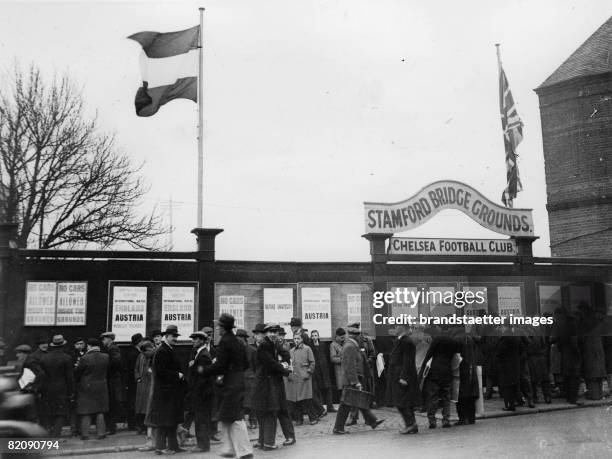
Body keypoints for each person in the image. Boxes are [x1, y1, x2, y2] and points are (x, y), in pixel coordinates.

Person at [201, 314, 253, 459]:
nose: (217, 329)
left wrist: (204, 370)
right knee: (227, 416)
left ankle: (244, 450)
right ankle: (230, 448)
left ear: (224, 327)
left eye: (219, 326)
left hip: (229, 383)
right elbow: (246, 363)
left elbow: (220, 365)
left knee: (234, 417)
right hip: (238, 381)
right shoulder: (238, 342)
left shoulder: (225, 342)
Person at [332, 323, 384, 434]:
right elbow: (349, 366)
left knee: (358, 401)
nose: (361, 337)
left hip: (352, 379)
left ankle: (372, 421)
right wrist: (355, 382)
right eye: (358, 335)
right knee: (345, 404)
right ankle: (338, 428)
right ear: (356, 336)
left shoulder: (351, 345)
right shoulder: (350, 346)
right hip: (351, 380)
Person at [148, 325, 187, 454]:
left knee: (172, 420)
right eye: (173, 336)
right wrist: (177, 375)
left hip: (171, 392)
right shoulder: (162, 351)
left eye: (176, 336)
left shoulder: (169, 349)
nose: (175, 339)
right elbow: (160, 372)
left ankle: (173, 446)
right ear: (166, 336)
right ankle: (160, 447)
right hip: (165, 392)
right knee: (164, 421)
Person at [252, 323, 291, 451]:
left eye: (275, 331)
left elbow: (284, 356)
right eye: (270, 332)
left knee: (267, 411)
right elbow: (271, 364)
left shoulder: (272, 344)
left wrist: (284, 366)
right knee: (270, 411)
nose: (273, 334)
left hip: (266, 383)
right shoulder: (265, 346)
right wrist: (284, 368)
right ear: (266, 333)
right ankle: (268, 443)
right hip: (266, 384)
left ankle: (264, 441)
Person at [419, 324, 460, 428]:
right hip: (447, 371)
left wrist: (423, 368)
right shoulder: (453, 341)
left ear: (440, 328)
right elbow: (456, 357)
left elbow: (429, 354)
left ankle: (432, 421)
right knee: (446, 397)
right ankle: (446, 420)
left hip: (435, 371)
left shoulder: (437, 339)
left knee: (433, 396)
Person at [386, 325, 420, 434]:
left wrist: (404, 377)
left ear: (402, 328)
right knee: (404, 402)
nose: (395, 328)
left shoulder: (406, 341)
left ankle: (410, 424)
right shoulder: (401, 340)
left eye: (397, 326)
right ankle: (411, 424)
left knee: (402, 402)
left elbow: (408, 361)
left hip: (402, 377)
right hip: (397, 375)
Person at [39, 334, 75, 437]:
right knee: (60, 413)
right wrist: (72, 392)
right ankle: (55, 436)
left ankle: (48, 433)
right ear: (63, 345)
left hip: (47, 389)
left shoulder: (44, 358)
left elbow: (41, 375)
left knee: (49, 412)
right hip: (62, 389)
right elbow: (69, 377)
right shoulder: (66, 358)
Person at [75, 338, 109, 440]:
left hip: (86, 386)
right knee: (100, 410)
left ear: (89, 346)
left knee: (86, 411)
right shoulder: (106, 357)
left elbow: (78, 374)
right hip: (101, 386)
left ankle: (85, 434)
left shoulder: (84, 358)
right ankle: (101, 433)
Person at [187, 330, 214, 453]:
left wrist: (196, 391)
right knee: (200, 419)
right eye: (193, 339)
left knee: (202, 420)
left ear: (202, 341)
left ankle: (203, 445)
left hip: (202, 394)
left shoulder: (203, 355)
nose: (193, 341)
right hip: (201, 393)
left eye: (196, 339)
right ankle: (202, 444)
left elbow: (204, 377)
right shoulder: (200, 353)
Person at [287, 333, 318, 425]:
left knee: (307, 400)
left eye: (298, 338)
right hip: (295, 379)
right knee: (296, 400)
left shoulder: (307, 349)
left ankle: (313, 418)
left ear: (302, 339)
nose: (296, 340)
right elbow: (290, 364)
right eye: (295, 338)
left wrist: (308, 373)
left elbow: (312, 362)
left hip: (305, 379)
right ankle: (299, 419)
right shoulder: (291, 351)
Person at [454, 327, 480, 425]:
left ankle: (462, 418)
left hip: (461, 369)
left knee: (461, 395)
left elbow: (456, 357)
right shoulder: (469, 338)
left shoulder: (456, 339)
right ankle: (471, 418)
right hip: (471, 368)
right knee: (471, 395)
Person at [100, 331, 125, 434]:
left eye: (104, 339)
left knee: (111, 403)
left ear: (109, 339)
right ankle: (111, 427)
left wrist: (107, 370)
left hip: (112, 380)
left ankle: (111, 428)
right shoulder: (111, 348)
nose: (103, 341)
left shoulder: (112, 348)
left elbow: (116, 362)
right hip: (113, 379)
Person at [495, 324, 522, 411]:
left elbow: (500, 351)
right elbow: (522, 348)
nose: (501, 328)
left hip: (505, 366)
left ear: (506, 327)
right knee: (514, 385)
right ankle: (515, 402)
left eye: (502, 326)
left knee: (507, 387)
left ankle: (510, 405)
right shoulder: (515, 336)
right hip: (515, 364)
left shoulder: (505, 338)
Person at [236, 328, 257, 430]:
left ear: (245, 339)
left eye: (240, 339)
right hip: (239, 380)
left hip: (250, 380)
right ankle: (241, 422)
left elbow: (256, 366)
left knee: (252, 402)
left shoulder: (252, 350)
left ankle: (253, 420)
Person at [311, 330, 335, 413]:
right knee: (318, 389)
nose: (314, 337)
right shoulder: (311, 346)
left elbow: (327, 357)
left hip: (324, 370)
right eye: (313, 336)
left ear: (318, 336)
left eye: (315, 335)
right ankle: (321, 409)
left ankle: (330, 407)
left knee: (328, 388)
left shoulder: (323, 345)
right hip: (316, 371)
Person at [134, 337, 155, 435]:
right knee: (140, 407)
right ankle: (141, 426)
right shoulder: (140, 356)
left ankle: (148, 428)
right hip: (141, 384)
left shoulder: (153, 356)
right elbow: (136, 368)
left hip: (150, 383)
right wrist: (137, 377)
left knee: (148, 406)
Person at [124, 333, 143, 431]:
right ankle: (133, 424)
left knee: (133, 402)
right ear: (138, 342)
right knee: (133, 403)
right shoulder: (134, 353)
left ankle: (133, 423)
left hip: (133, 381)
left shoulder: (135, 352)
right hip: (133, 382)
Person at [330, 328, 345, 402]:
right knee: (341, 390)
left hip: (346, 371)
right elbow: (333, 359)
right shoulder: (333, 345)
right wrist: (344, 360)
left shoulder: (345, 343)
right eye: (341, 337)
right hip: (339, 371)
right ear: (337, 336)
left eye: (344, 337)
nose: (343, 339)